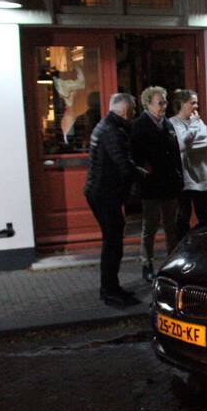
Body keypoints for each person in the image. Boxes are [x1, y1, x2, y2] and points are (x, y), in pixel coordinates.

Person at [83, 93, 140, 307]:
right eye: (133, 110)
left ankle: (112, 287)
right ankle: (109, 290)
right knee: (112, 242)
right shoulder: (112, 131)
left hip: (102, 192)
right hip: (104, 193)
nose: (134, 115)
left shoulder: (107, 126)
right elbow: (122, 164)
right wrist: (141, 173)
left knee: (113, 240)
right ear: (126, 111)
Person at [131, 86, 183, 282]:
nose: (164, 106)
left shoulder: (168, 125)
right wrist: (143, 174)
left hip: (169, 183)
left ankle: (171, 263)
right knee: (150, 226)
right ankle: (147, 263)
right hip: (151, 185)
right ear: (147, 104)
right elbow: (135, 157)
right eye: (160, 103)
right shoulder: (139, 126)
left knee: (171, 225)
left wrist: (179, 176)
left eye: (165, 102)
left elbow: (176, 153)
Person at [169, 89, 207, 238]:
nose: (196, 106)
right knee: (183, 215)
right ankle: (184, 246)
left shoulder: (199, 121)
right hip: (185, 177)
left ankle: (205, 245)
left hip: (200, 175)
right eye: (192, 103)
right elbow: (181, 144)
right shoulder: (173, 123)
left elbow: (206, 143)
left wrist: (189, 143)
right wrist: (193, 129)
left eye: (197, 103)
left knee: (203, 215)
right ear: (182, 104)